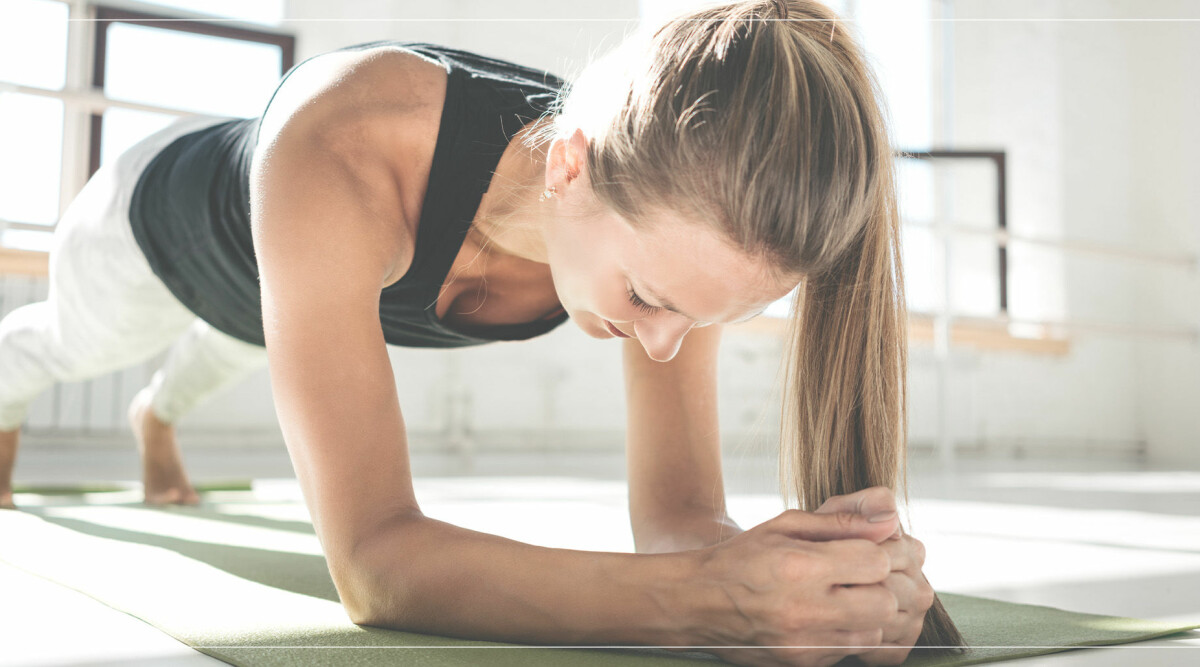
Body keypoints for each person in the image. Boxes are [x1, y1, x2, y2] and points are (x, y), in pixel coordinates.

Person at [0, 1, 962, 663]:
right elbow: (375, 565)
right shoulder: (343, 144)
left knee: (220, 355)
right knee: (64, 347)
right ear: (571, 171)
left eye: (703, 320)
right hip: (150, 223)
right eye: (647, 299)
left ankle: (153, 422)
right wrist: (711, 602)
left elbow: (676, 522)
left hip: (266, 294)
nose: (663, 344)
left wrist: (811, 579)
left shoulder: (685, 214)